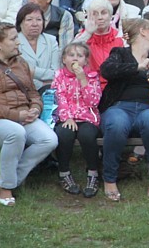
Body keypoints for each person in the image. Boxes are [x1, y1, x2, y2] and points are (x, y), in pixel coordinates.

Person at [0, 22, 58, 206]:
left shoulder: (21, 63)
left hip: (22, 116)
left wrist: (35, 108)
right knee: (15, 133)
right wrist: (17, 116)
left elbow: (33, 92)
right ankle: (6, 187)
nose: (18, 43)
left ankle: (4, 178)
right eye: (13, 39)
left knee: (49, 140)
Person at [99, 18, 149, 201]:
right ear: (143, 31)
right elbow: (107, 70)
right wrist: (137, 67)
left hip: (148, 109)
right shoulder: (120, 53)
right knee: (116, 123)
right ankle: (110, 178)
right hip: (120, 107)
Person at [51, 42, 102, 197]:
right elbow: (59, 97)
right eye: (71, 55)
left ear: (86, 61)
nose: (75, 59)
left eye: (80, 56)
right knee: (64, 134)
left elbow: (93, 102)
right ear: (64, 59)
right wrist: (67, 117)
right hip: (66, 117)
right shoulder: (59, 76)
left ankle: (93, 173)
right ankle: (64, 172)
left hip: (87, 117)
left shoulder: (92, 77)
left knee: (87, 136)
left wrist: (83, 80)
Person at [17, 3, 60, 91]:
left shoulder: (51, 40)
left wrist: (33, 72)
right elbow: (19, 73)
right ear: (20, 23)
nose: (35, 24)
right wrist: (42, 84)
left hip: (50, 90)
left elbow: (56, 73)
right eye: (29, 20)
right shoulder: (14, 42)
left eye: (39, 19)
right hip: (22, 90)